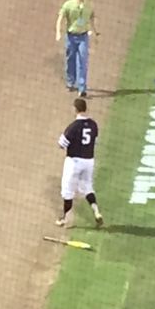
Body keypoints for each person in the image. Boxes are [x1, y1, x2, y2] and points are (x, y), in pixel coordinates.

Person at [55, 98, 103, 228]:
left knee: (67, 191)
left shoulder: (73, 127)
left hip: (74, 162)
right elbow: (95, 142)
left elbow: (61, 144)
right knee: (87, 187)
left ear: (75, 109)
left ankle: (65, 219)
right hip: (89, 161)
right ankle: (97, 212)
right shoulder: (93, 124)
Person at [55, 0, 99, 98]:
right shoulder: (68, 5)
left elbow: (92, 18)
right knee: (71, 59)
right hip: (71, 37)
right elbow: (60, 18)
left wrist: (95, 31)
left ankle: (82, 88)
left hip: (83, 37)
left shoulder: (88, 5)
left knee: (83, 62)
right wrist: (58, 32)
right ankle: (70, 81)